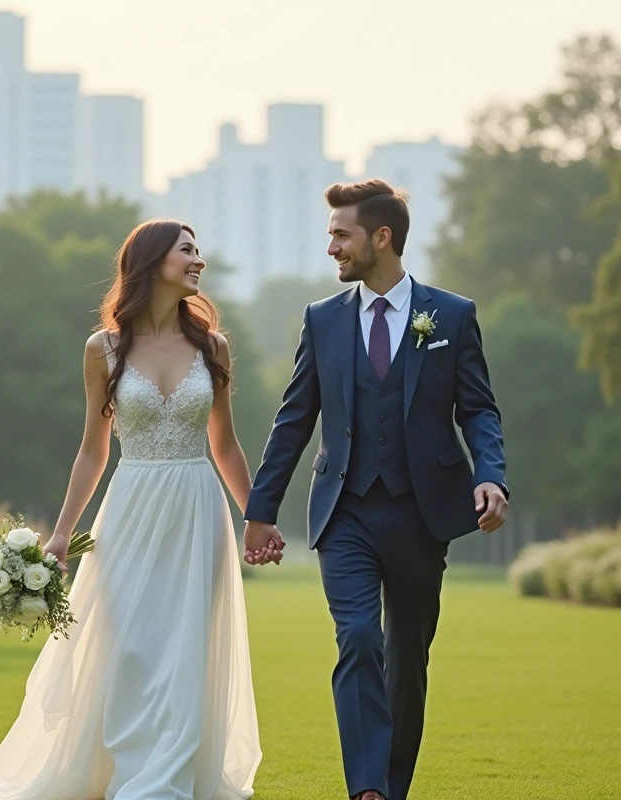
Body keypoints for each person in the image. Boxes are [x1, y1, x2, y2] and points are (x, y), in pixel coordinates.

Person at [0, 219, 278, 800]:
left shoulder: (213, 348)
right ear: (153, 261)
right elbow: (93, 449)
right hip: (131, 508)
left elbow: (225, 444)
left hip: (196, 509)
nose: (199, 261)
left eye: (199, 251)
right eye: (187, 251)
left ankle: (163, 782)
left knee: (185, 647)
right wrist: (62, 534)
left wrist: (256, 516)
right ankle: (122, 771)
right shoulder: (102, 350)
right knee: (128, 645)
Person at [242, 179, 509, 800]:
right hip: (345, 513)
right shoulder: (322, 320)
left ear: (381, 237)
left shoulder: (452, 315)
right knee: (359, 637)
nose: (331, 247)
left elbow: (478, 410)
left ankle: (391, 787)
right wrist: (261, 509)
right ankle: (367, 789)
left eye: (342, 234)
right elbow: (294, 419)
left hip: (423, 513)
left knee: (407, 657)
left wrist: (490, 475)